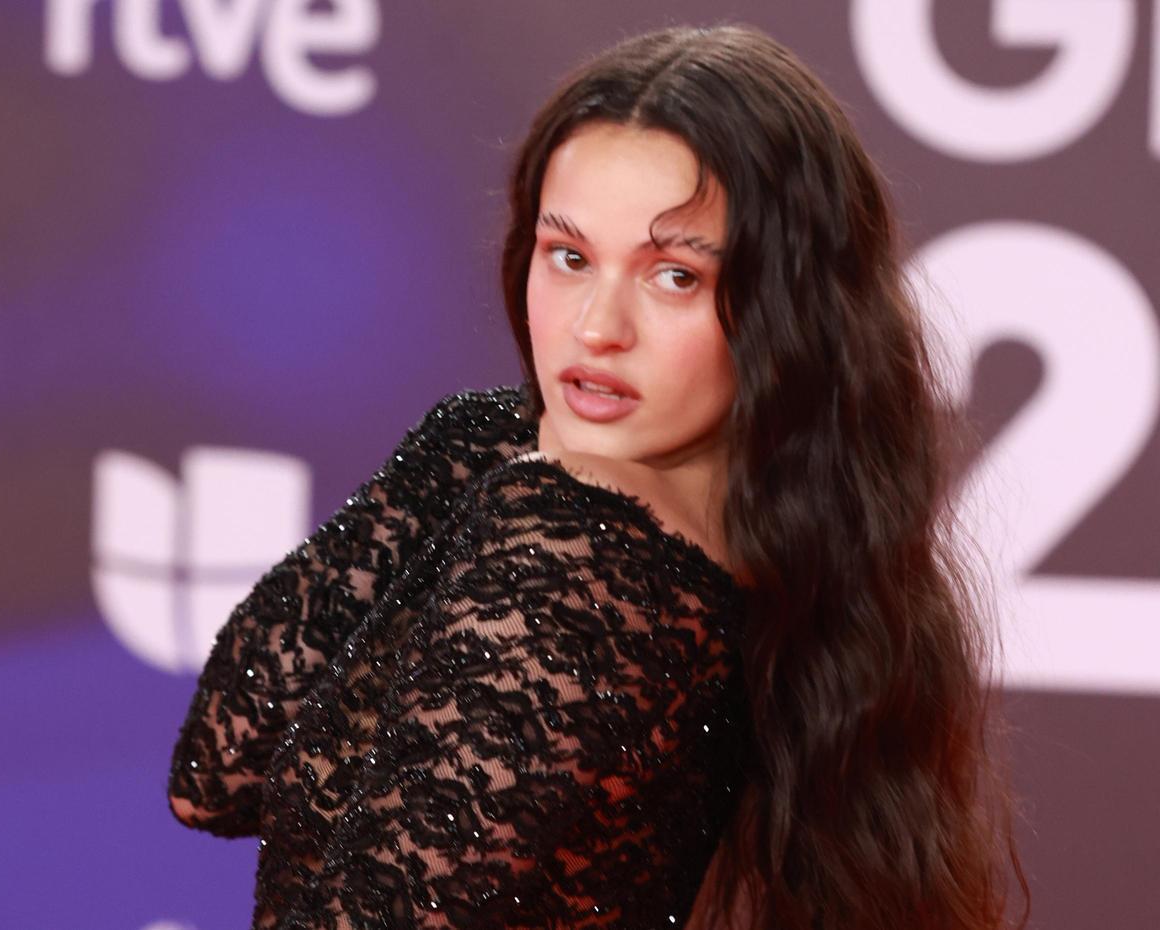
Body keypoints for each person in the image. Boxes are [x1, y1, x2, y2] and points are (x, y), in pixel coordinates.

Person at [167, 23, 1030, 930]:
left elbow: (230, 797)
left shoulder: (583, 541)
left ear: (785, 308)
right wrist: (471, 454)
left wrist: (520, 476)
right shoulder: (713, 525)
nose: (597, 326)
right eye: (569, 257)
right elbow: (217, 774)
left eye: (673, 276)